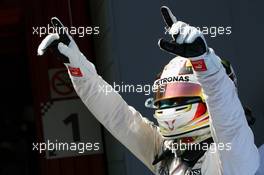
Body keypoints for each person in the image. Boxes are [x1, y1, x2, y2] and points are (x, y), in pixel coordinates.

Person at [37, 6, 259, 175]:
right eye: (166, 96)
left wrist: (205, 64)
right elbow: (119, 117)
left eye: (180, 95)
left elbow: (229, 124)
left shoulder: (236, 155)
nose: (170, 104)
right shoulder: (168, 153)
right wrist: (78, 68)